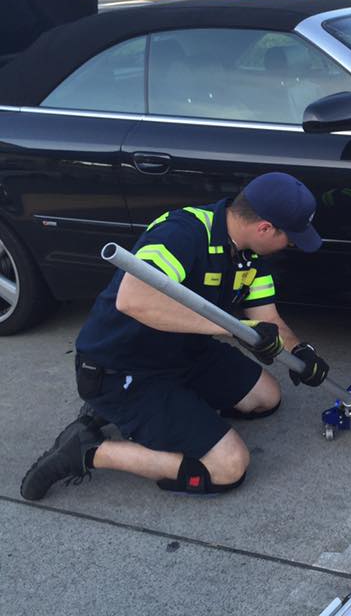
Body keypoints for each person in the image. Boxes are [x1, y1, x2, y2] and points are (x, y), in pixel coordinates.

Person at [20, 172, 330, 500]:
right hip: (124, 367)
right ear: (265, 227)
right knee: (229, 466)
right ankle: (87, 450)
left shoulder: (250, 252)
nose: (293, 245)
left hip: (181, 353)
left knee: (266, 398)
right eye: (291, 237)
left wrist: (301, 352)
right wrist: (232, 329)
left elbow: (267, 318)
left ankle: (164, 413)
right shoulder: (184, 233)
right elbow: (133, 301)